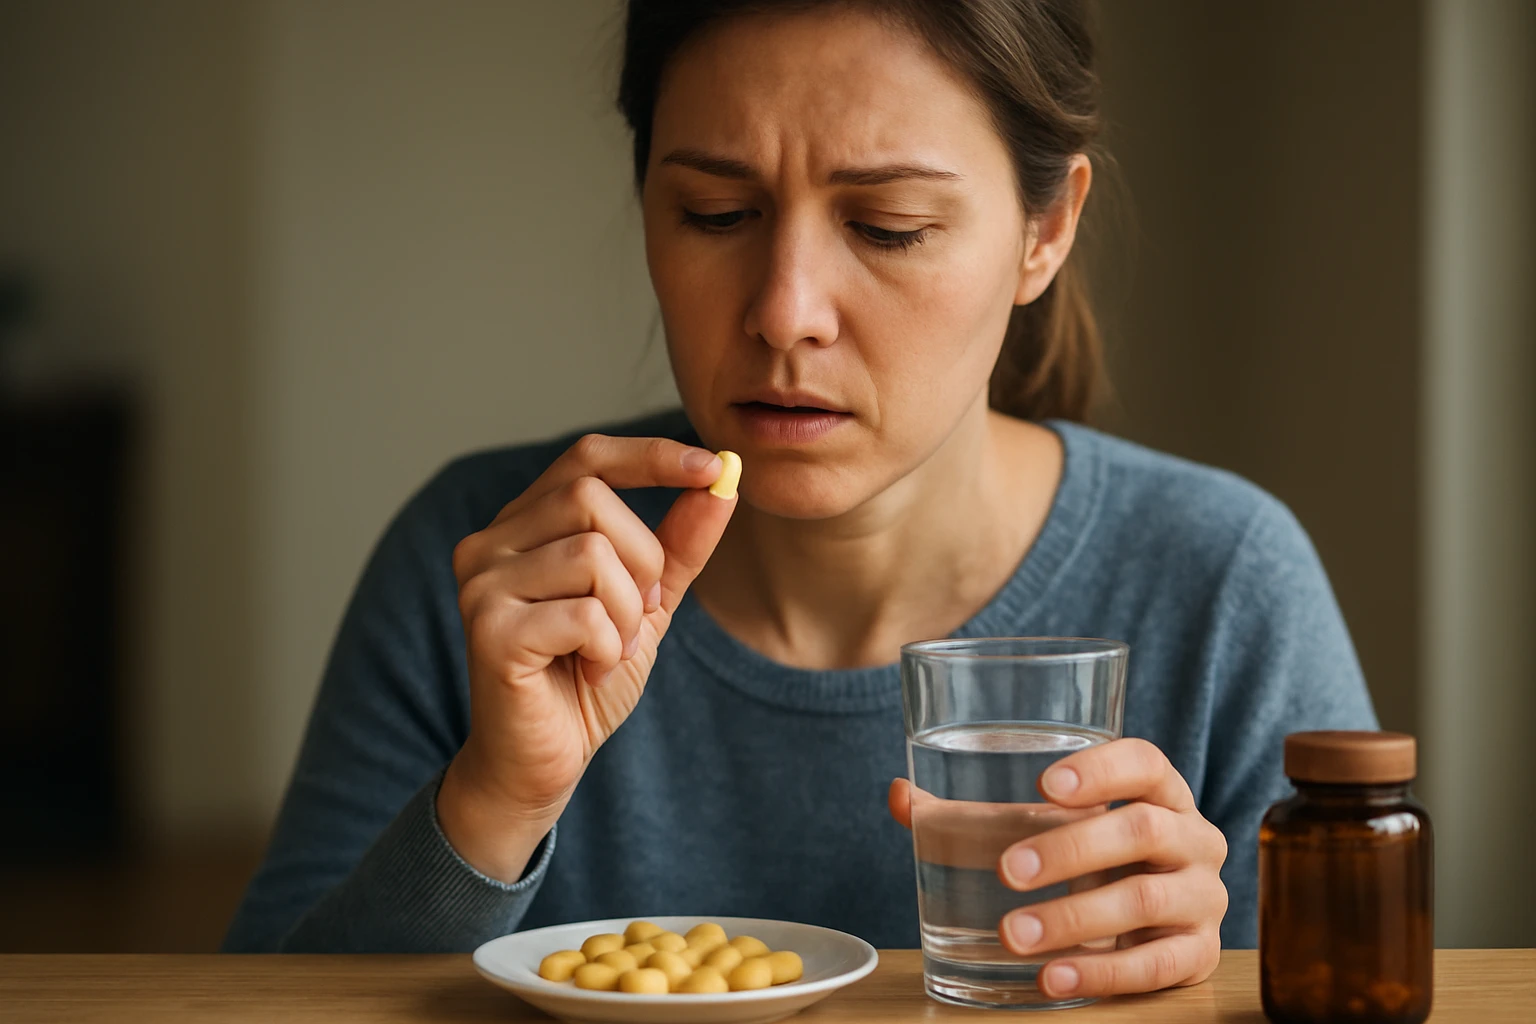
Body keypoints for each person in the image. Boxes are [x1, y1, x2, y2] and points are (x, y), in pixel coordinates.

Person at [225, 0, 1375, 1001]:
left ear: (1046, 230)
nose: (785, 312)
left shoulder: (1226, 582)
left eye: (888, 228)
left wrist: (1204, 971)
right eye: (716, 215)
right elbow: (252, 1006)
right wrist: (489, 804)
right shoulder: (487, 561)